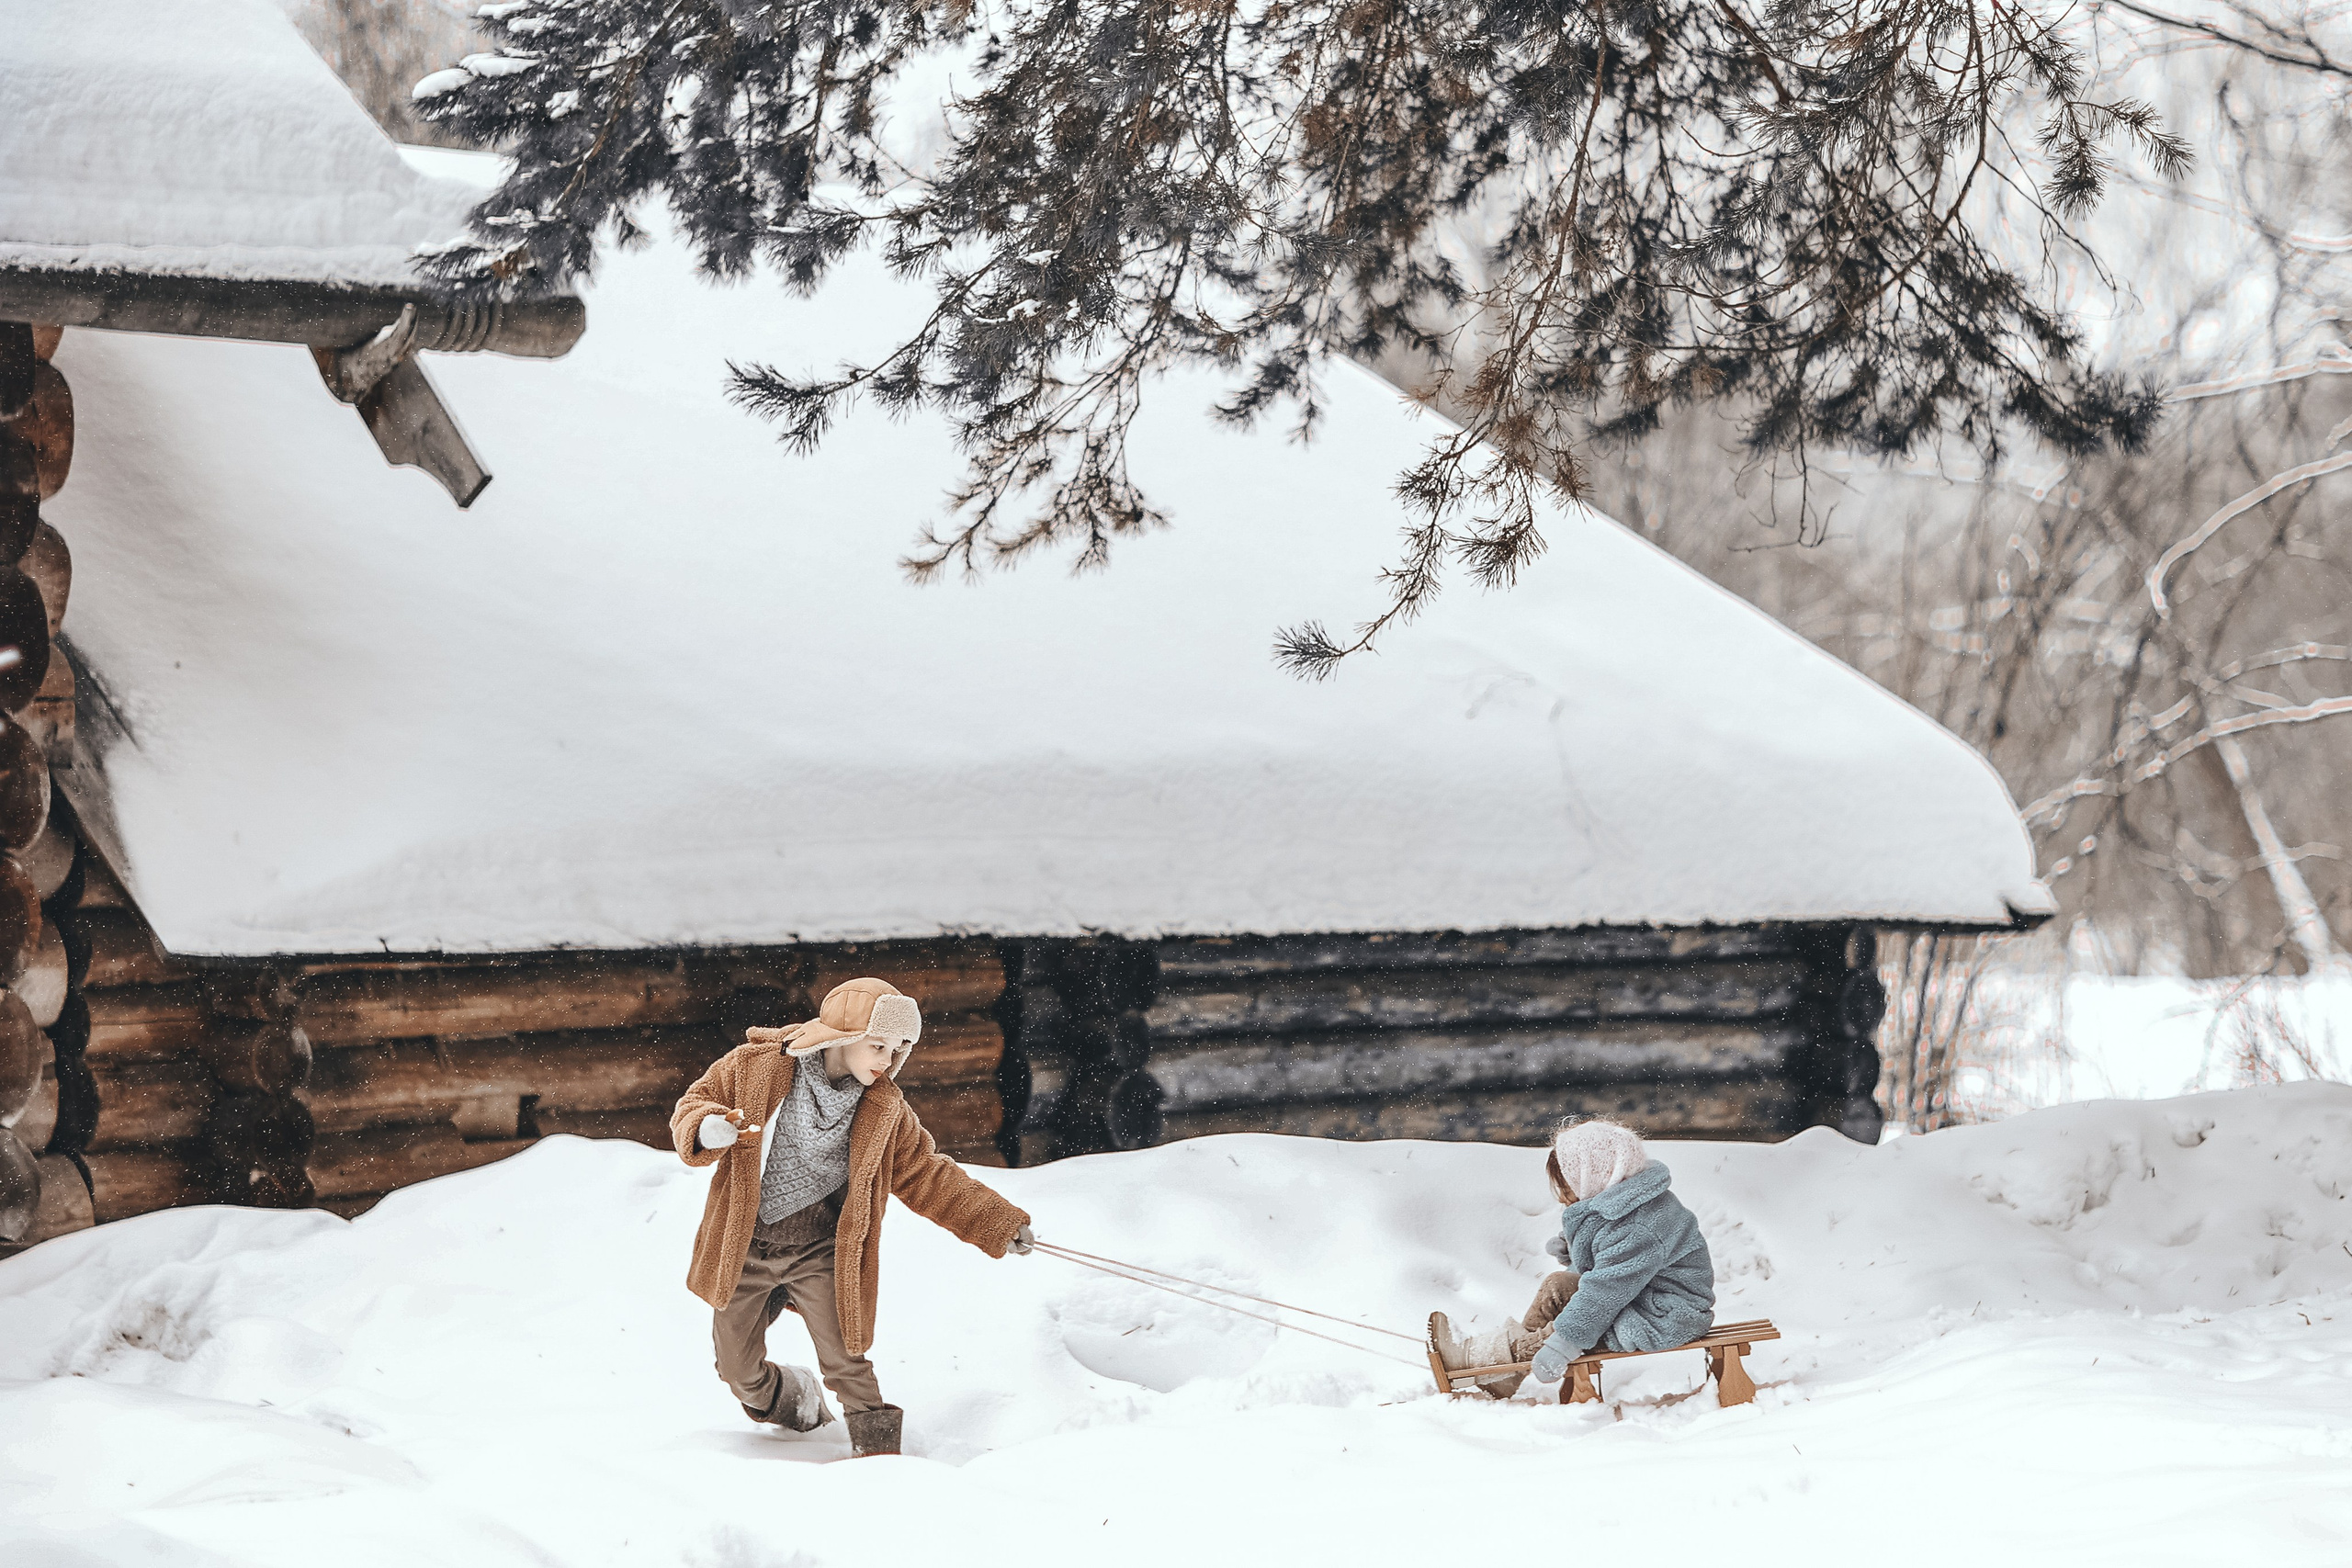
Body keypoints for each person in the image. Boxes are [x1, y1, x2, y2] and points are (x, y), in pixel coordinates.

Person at [671, 976, 1035, 1457]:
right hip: (745, 1248)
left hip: (822, 1253)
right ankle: (794, 1400)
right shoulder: (755, 1068)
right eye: (878, 1045)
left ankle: (881, 1458)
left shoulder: (885, 1110)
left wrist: (996, 1222)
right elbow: (692, 1104)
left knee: (847, 1361)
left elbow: (927, 1174)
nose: (887, 1061)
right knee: (736, 1371)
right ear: (841, 1037)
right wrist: (706, 1128)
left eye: (899, 1049)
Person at [1428, 1119, 1713, 1399]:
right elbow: (1612, 1273)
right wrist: (1579, 1252)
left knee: (1570, 1322)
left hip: (1666, 1315)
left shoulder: (1639, 1226)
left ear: (1595, 1174)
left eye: (1566, 1184)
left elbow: (1604, 1293)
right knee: (1558, 1285)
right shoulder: (1626, 1205)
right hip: (1643, 1299)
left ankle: (1477, 1360)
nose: (1563, 1196)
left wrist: (1562, 1346)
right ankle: (1506, 1373)